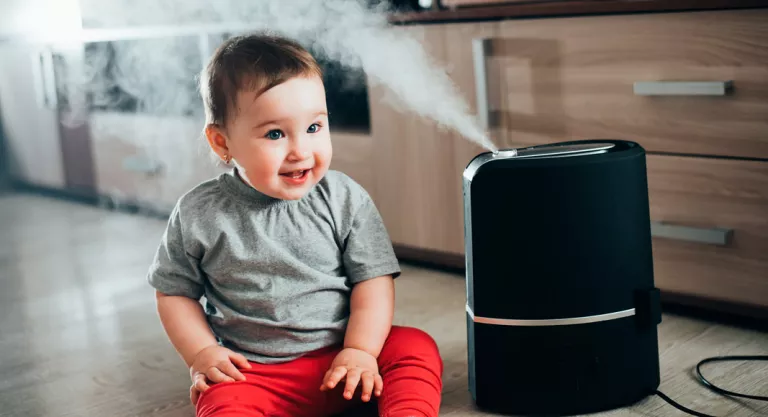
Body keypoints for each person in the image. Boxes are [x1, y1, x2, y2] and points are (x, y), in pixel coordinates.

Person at [146, 32, 443, 417]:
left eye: (315, 128)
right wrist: (204, 353)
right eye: (275, 134)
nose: (301, 151)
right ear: (222, 143)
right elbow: (173, 293)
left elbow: (373, 280)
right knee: (221, 397)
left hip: (348, 363)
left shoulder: (344, 198)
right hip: (256, 375)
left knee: (414, 346)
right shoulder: (198, 213)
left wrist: (361, 350)